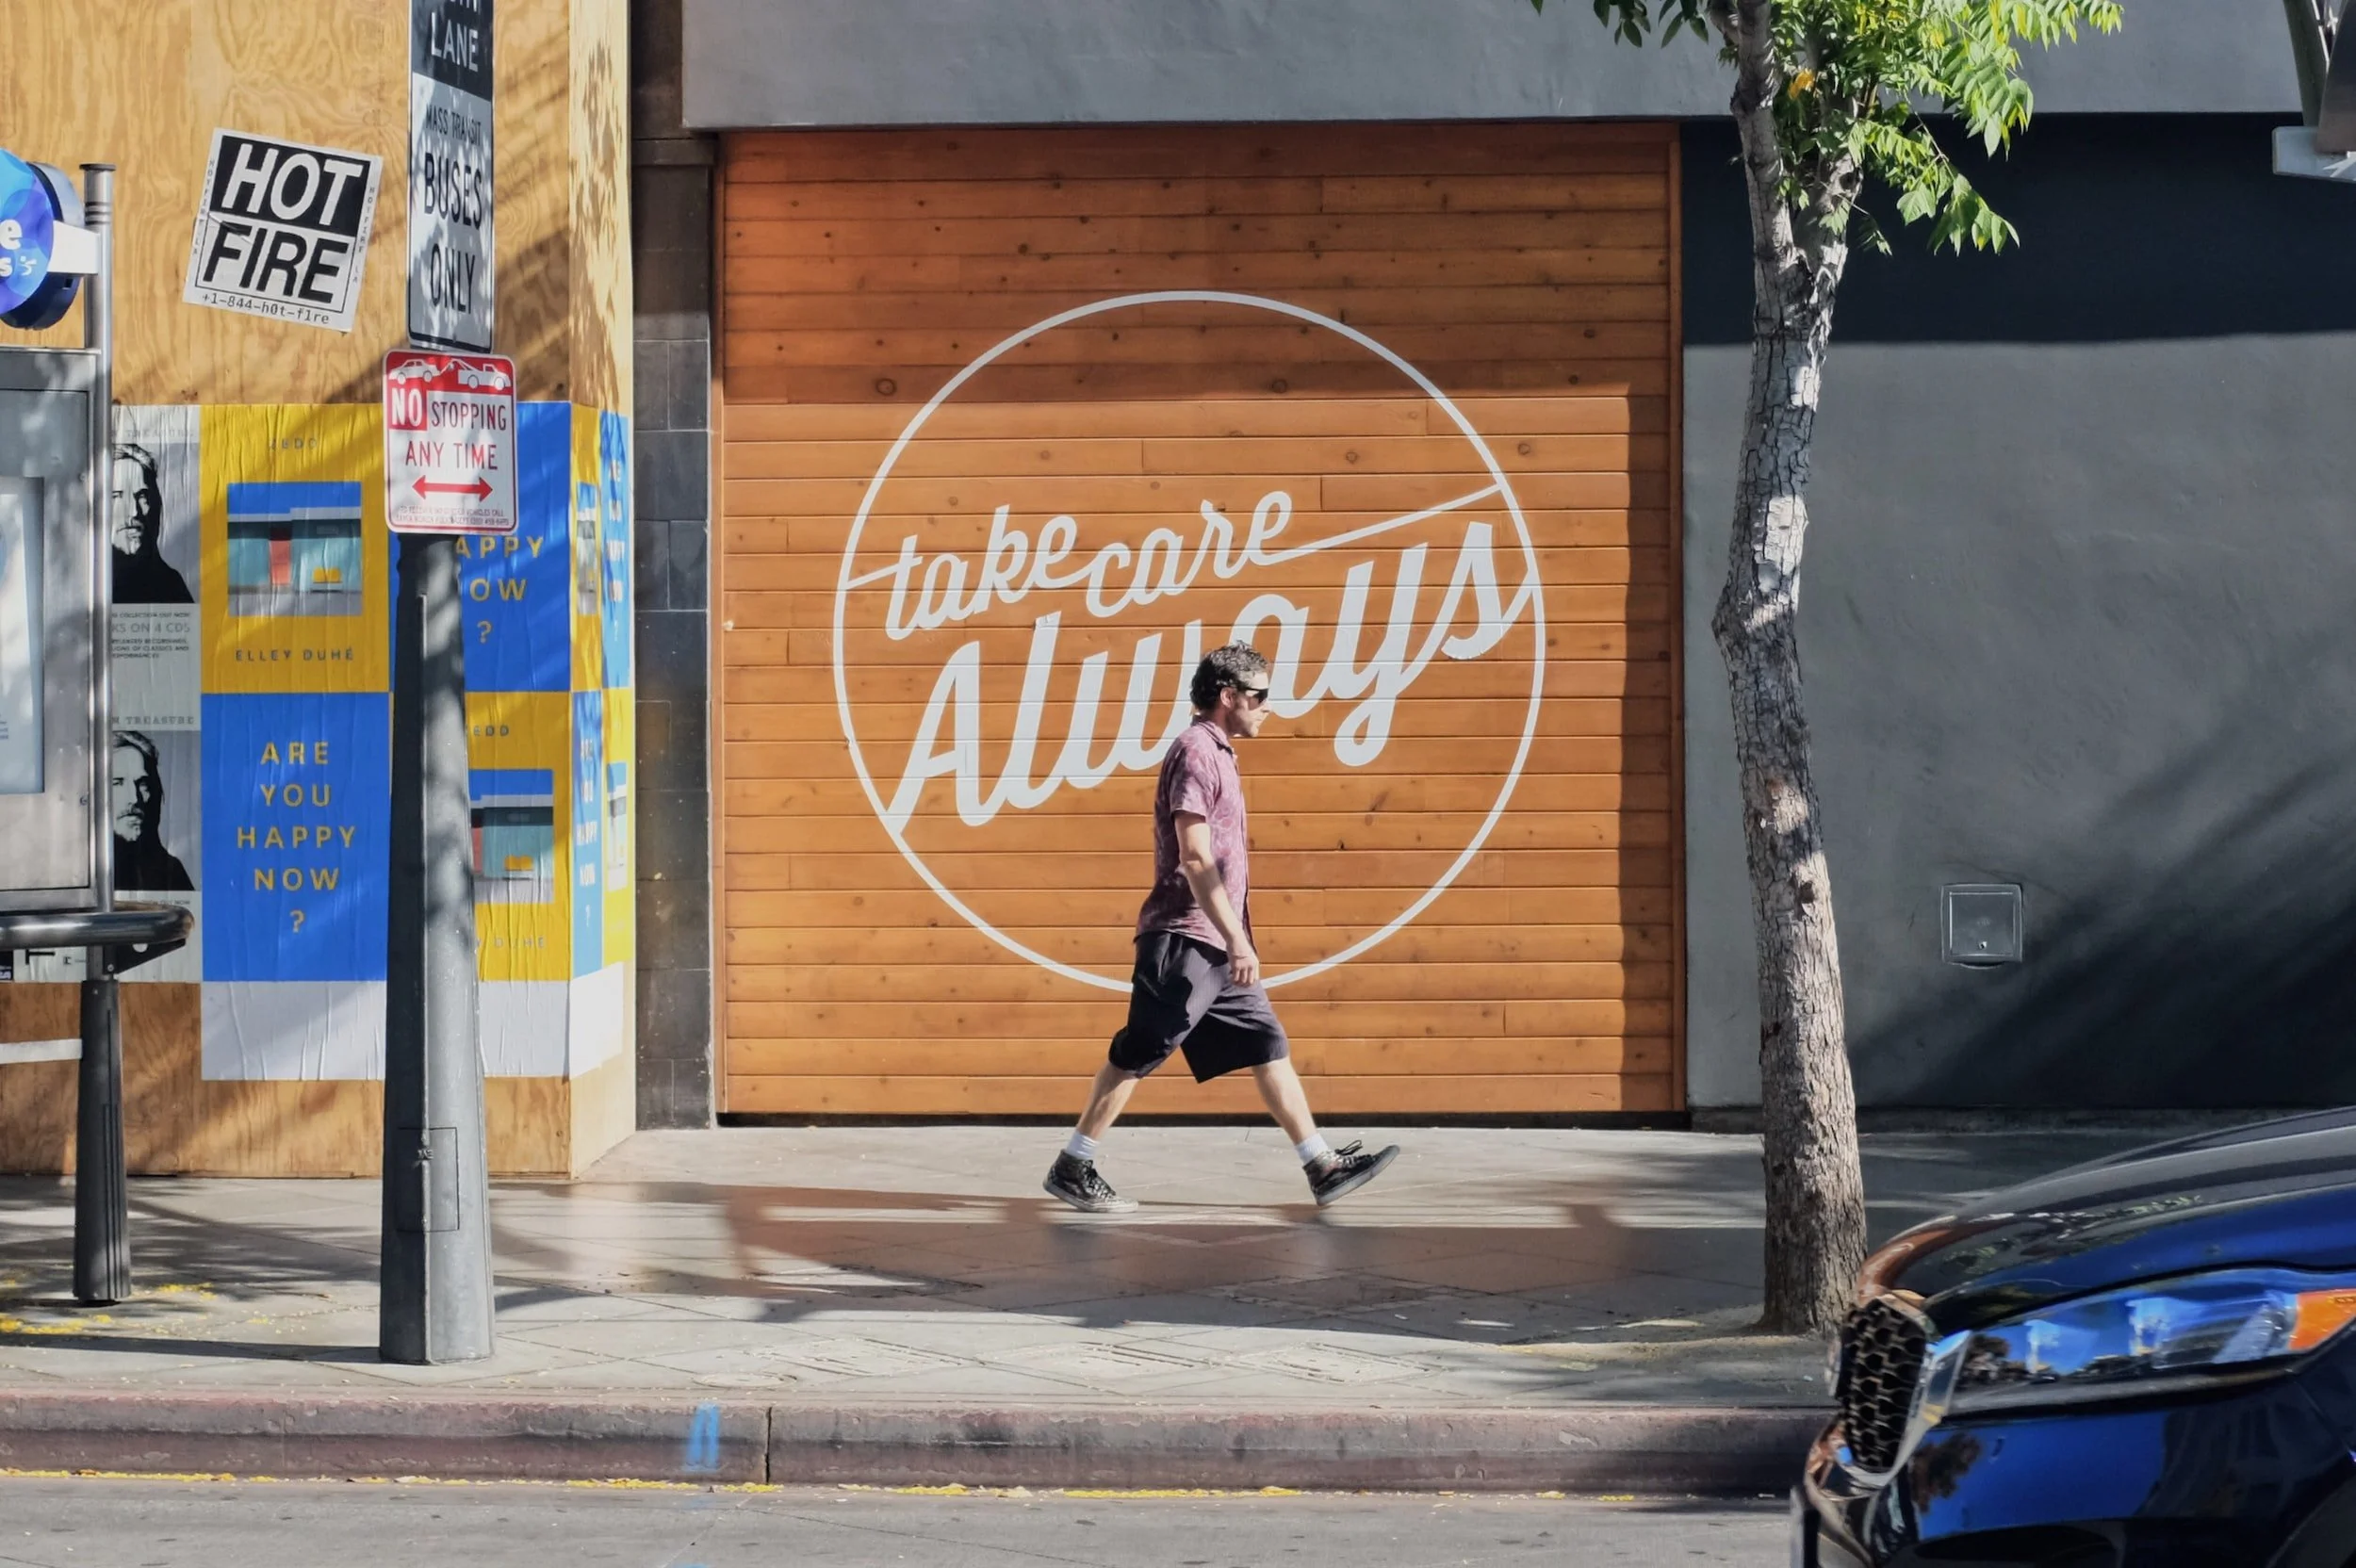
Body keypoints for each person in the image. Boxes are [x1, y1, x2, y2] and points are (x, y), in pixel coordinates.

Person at [1044, 642, 1399, 1214]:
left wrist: (1235, 938)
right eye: (1259, 697)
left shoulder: (1219, 751)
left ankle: (1321, 1165)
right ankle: (1074, 1164)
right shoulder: (1196, 752)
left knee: (1265, 1042)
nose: (1267, 708)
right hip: (1186, 935)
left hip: (1215, 939)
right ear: (1227, 696)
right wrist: (1236, 938)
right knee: (1142, 1047)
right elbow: (1194, 856)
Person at [109, 443, 193, 605]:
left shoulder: (170, 586)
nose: (134, 511)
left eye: (142, 496)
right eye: (116, 496)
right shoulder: (80, 584)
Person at [112, 730, 194, 891]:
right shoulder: (73, 870)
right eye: (117, 783)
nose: (134, 798)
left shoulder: (172, 872)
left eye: (142, 784)